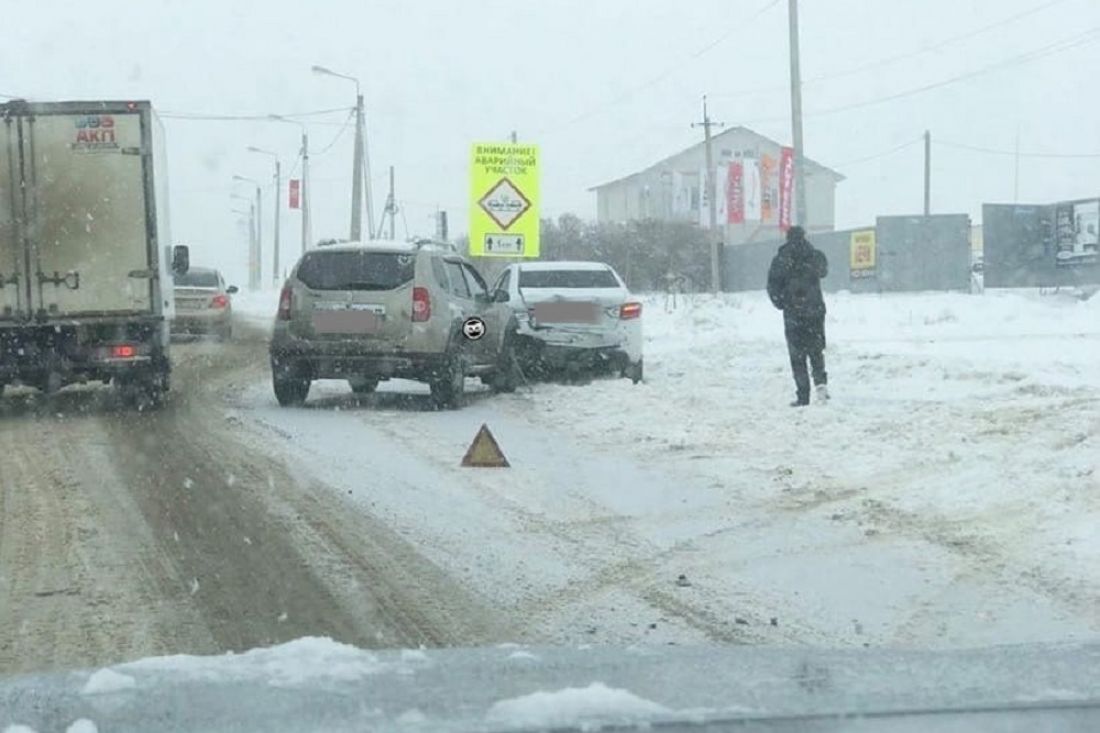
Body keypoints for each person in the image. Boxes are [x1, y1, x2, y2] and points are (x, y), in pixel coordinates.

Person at [767, 226, 829, 407]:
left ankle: (803, 395)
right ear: (804, 237)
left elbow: (773, 286)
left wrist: (782, 303)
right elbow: (823, 271)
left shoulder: (781, 259)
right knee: (816, 349)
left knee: (797, 355)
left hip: (793, 313)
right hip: (815, 311)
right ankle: (821, 385)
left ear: (787, 238)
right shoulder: (815, 255)